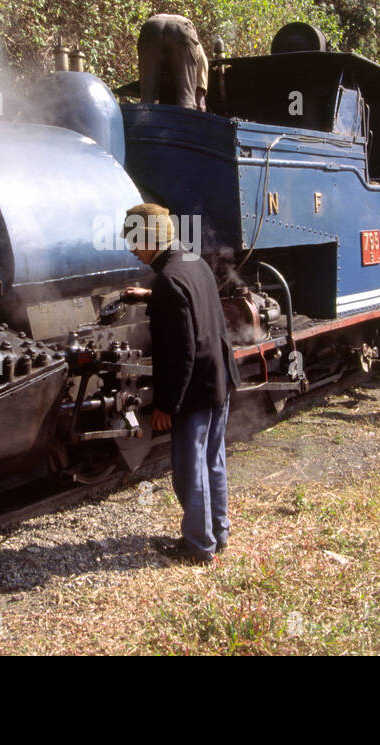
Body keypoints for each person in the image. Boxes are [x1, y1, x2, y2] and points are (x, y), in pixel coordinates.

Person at [122, 203, 239, 564]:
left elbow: (181, 353)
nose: (131, 249)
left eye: (134, 240)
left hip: (194, 391)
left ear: (151, 237)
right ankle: (218, 533)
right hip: (219, 379)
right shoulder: (192, 263)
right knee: (214, 460)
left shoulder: (168, 280)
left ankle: (198, 547)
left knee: (190, 471)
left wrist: (165, 406)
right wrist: (149, 297)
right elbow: (195, 303)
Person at [137, 14, 209, 111]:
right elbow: (200, 104)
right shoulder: (200, 54)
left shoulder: (197, 53)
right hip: (181, 29)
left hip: (150, 27)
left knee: (146, 103)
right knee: (186, 102)